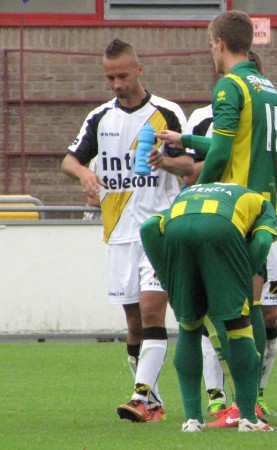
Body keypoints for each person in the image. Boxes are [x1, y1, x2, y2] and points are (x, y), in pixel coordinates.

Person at [157, 11, 277, 429]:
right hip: (262, 209)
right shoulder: (265, 87)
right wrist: (187, 140)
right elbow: (233, 142)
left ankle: (235, 411)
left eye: (209, 44)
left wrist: (200, 191)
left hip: (231, 212)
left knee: (204, 316)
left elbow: (220, 155)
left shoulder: (228, 86)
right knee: (250, 309)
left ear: (218, 42)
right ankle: (251, 405)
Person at [61, 38, 194, 422]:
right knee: (134, 324)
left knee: (154, 311)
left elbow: (193, 164)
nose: (117, 84)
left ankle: (140, 397)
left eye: (122, 75)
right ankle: (151, 401)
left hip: (159, 229)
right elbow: (68, 160)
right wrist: (85, 172)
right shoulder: (100, 117)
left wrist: (166, 163)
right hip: (118, 235)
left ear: (139, 69)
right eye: (110, 78)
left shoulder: (167, 113)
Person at [139, 182, 277, 432]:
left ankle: (192, 420)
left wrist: (167, 276)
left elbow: (149, 228)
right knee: (239, 326)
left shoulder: (187, 193)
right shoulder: (261, 202)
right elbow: (261, 243)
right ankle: (248, 418)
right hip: (221, 230)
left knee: (189, 325)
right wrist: (242, 277)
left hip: (177, 230)